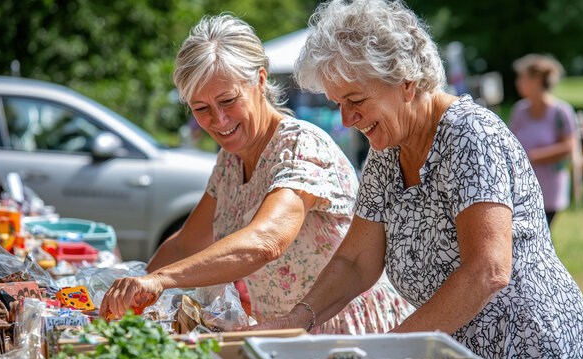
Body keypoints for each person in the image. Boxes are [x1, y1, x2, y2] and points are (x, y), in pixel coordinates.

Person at [251, 0, 583, 358]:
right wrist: (295, 320)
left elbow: (487, 270)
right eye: (337, 102)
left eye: (355, 99)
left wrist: (387, 349)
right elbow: (356, 261)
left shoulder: (468, 133)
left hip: (528, 345)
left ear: (406, 83)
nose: (346, 119)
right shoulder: (388, 149)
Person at [99, 14, 411, 334]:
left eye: (228, 100)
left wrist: (160, 280)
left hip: (344, 330)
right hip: (283, 335)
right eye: (201, 108)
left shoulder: (301, 146)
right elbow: (184, 245)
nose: (219, 120)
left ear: (260, 81)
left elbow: (265, 241)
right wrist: (129, 296)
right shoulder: (230, 160)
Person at [510, 54, 577, 227]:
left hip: (549, 190)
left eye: (522, 77)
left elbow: (569, 147)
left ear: (537, 80)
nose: (518, 82)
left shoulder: (561, 112)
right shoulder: (519, 111)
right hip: (522, 189)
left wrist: (531, 157)